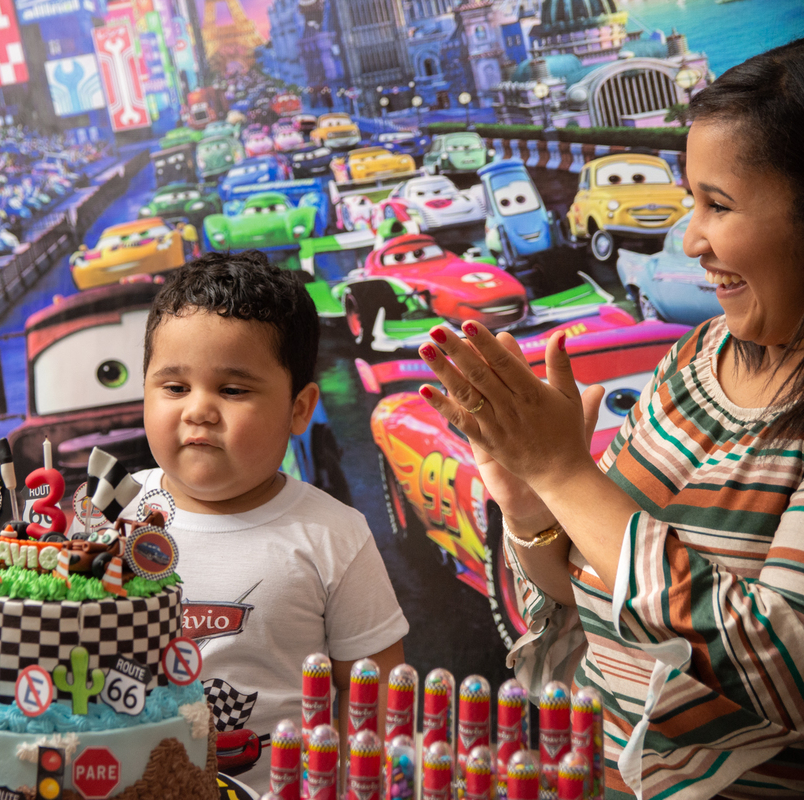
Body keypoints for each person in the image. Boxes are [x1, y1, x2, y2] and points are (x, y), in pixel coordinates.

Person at [416, 40, 804, 798]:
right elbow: (583, 588)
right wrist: (532, 506)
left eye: (718, 206)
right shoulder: (693, 357)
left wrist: (565, 473)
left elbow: (781, 671)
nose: (691, 241)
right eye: (691, 201)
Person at [133, 251, 409, 790]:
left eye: (233, 390)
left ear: (299, 409)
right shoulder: (107, 517)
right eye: (174, 387)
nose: (198, 410)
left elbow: (373, 697)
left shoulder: (335, 535)